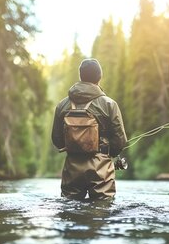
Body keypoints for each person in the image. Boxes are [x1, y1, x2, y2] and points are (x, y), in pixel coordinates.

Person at [51, 58, 127, 200]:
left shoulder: (62, 105)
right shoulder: (109, 104)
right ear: (99, 77)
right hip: (101, 166)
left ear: (81, 76)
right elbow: (120, 141)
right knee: (101, 211)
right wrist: (111, 153)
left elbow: (57, 140)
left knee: (70, 211)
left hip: (72, 166)